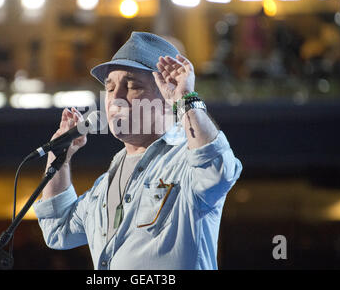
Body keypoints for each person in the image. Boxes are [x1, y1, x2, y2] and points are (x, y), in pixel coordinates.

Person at [33, 32, 243, 270]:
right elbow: (58, 229)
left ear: (167, 95)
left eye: (132, 86)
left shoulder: (185, 163)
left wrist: (186, 98)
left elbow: (219, 170)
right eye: (110, 88)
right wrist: (59, 157)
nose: (116, 98)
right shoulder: (104, 186)